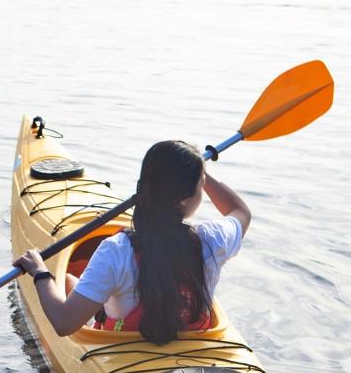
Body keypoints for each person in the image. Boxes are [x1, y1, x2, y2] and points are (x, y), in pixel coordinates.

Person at [13, 140, 251, 344]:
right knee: (69, 280)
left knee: (64, 281)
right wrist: (202, 173)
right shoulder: (213, 238)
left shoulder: (116, 250)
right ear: (184, 198)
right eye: (199, 185)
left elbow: (64, 323)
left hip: (124, 348)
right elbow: (239, 211)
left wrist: (40, 273)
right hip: (193, 348)